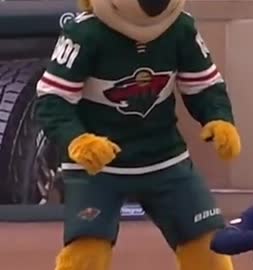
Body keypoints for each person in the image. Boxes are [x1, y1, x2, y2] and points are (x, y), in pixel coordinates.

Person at [34, 1, 241, 270]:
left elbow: (204, 85)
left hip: (163, 155)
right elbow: (53, 99)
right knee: (87, 253)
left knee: (208, 243)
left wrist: (219, 118)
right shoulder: (85, 33)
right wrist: (77, 139)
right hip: (99, 163)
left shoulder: (181, 27)